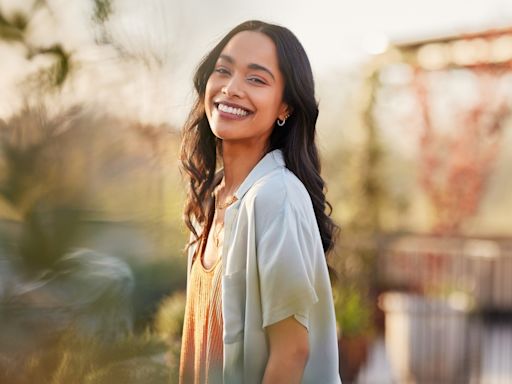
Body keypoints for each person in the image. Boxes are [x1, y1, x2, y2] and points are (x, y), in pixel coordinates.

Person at [179, 20, 341, 384]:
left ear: (285, 107)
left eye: (256, 79)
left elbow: (292, 353)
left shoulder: (274, 196)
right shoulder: (211, 199)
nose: (231, 88)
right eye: (223, 70)